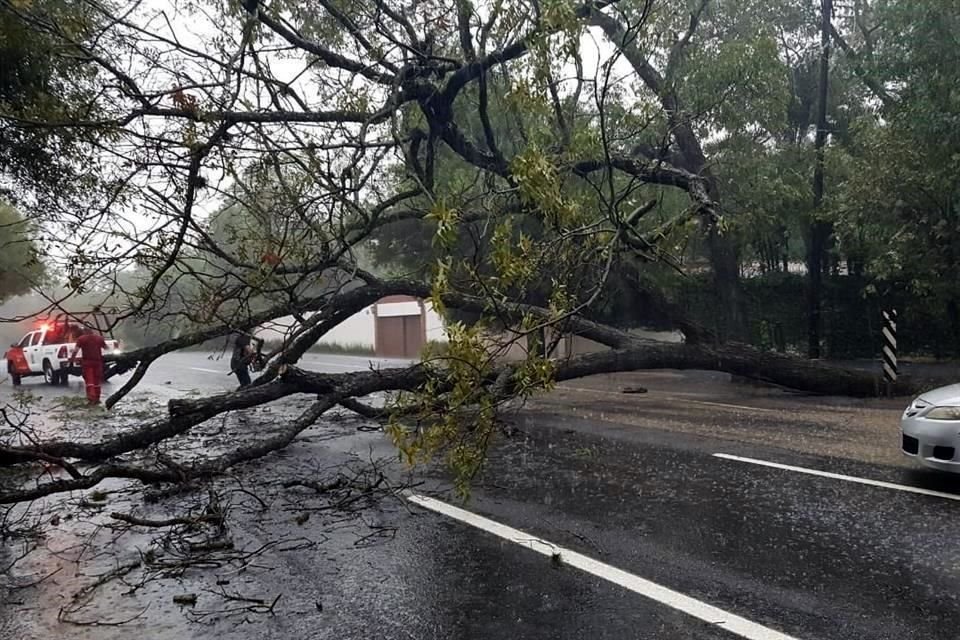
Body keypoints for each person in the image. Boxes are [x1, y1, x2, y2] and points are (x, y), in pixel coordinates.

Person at [69, 327, 107, 405]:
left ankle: (91, 398)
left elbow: (76, 350)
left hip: (87, 362)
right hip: (98, 362)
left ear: (84, 332)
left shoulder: (81, 339)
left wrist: (72, 360)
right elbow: (106, 347)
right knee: (97, 381)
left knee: (89, 381)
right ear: (92, 331)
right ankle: (97, 398)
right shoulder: (99, 338)